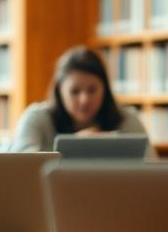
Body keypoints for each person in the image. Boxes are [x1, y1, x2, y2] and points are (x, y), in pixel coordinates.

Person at [10, 45, 156, 159]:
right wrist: (73, 149)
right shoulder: (36, 118)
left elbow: (151, 167)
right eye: (75, 91)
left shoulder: (126, 119)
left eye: (92, 90)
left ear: (105, 88)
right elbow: (20, 165)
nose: (84, 100)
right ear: (60, 92)